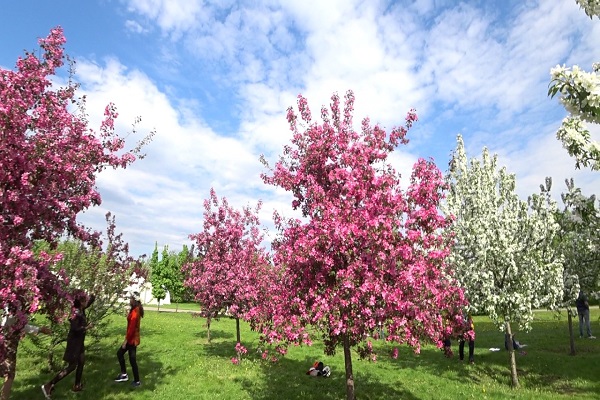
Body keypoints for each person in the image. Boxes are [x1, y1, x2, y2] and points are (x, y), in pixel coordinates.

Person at [41, 291, 95, 399]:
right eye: (85, 300)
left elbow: (89, 303)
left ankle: (77, 385)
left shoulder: (81, 309)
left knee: (81, 361)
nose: (87, 302)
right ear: (80, 302)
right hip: (74, 343)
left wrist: (94, 294)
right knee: (72, 366)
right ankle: (49, 384)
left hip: (79, 342)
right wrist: (87, 328)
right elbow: (75, 329)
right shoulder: (76, 312)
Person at [114, 291, 144, 388]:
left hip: (132, 340)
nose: (129, 300)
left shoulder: (135, 312)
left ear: (134, 300)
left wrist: (125, 341)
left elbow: (131, 329)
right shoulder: (135, 309)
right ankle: (126, 375)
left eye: (131, 298)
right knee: (130, 358)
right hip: (132, 339)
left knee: (127, 357)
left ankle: (134, 380)